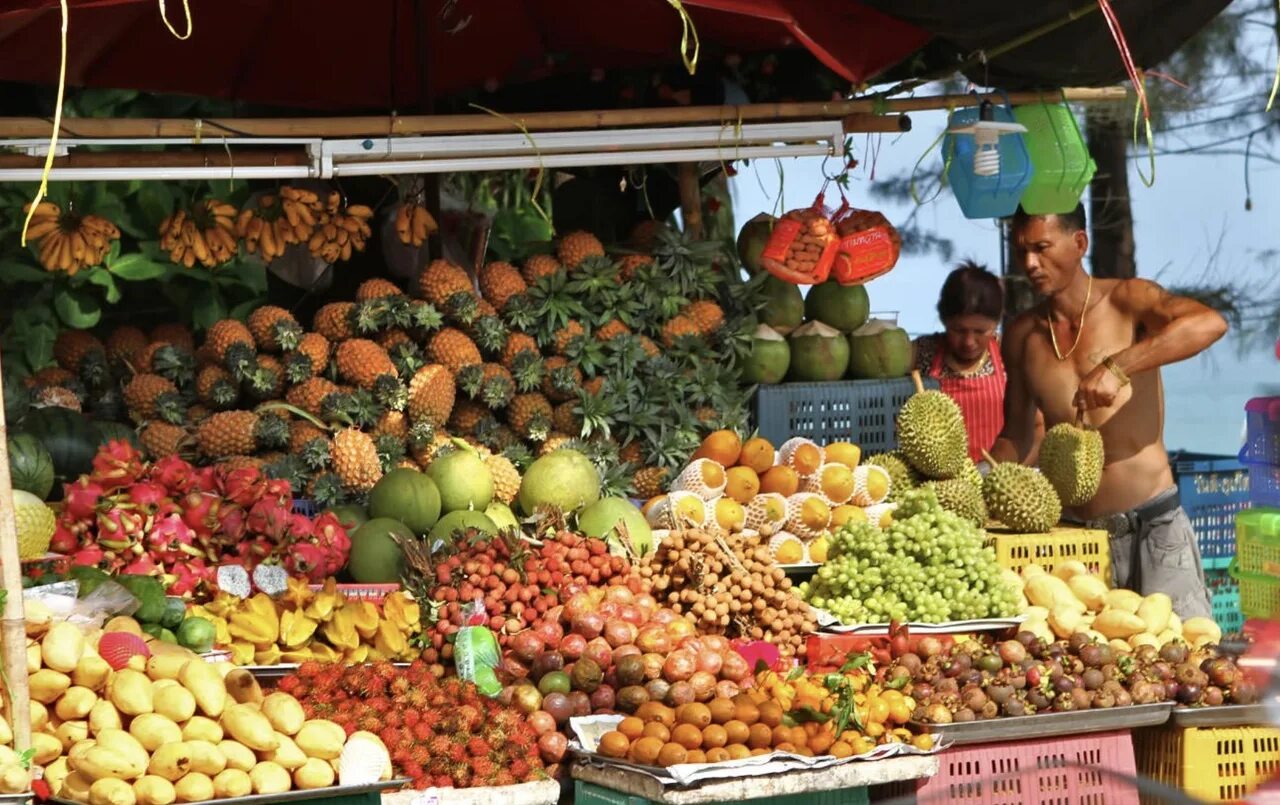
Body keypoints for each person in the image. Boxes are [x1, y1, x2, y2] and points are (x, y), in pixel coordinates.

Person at [990, 204, 1228, 619]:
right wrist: (978, 478)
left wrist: (1120, 367)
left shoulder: (1128, 300)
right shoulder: (1022, 336)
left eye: (1042, 247)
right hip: (1075, 541)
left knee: (1187, 660)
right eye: (1022, 250)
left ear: (1079, 243)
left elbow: (1209, 324)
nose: (1030, 263)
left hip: (1155, 529)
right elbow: (1020, 436)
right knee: (1094, 675)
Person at [913, 261, 1008, 463]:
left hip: (999, 482)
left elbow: (1036, 427)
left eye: (981, 332)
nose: (969, 342)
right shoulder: (920, 354)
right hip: (936, 487)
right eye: (959, 330)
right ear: (944, 319)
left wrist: (995, 472)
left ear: (997, 322)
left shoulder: (1008, 355)